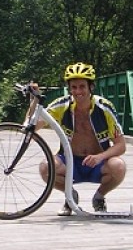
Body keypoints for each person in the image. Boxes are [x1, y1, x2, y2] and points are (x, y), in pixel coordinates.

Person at [37, 62, 126, 215]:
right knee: (46, 167)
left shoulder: (104, 108)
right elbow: (32, 125)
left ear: (91, 87)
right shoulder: (61, 105)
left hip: (98, 163)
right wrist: (35, 100)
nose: (78, 91)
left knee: (119, 166)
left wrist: (100, 157)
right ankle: (70, 196)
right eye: (74, 87)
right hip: (69, 162)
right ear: (69, 89)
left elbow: (121, 146)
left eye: (82, 86)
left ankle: (99, 198)